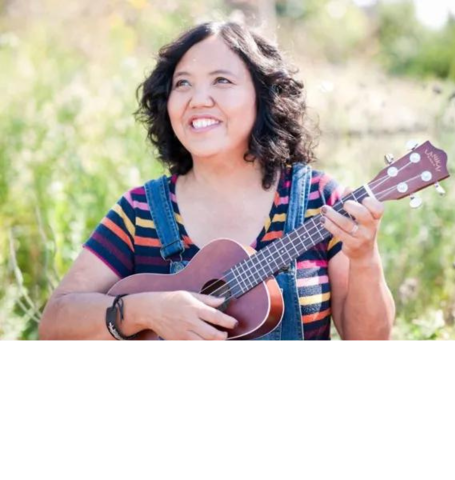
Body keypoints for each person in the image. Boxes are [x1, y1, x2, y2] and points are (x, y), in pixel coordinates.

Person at [39, 21, 395, 341]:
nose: (198, 99)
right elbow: (55, 325)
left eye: (222, 80)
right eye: (183, 84)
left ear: (264, 97)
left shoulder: (321, 200)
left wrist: (364, 259)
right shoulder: (140, 211)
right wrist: (143, 311)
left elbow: (368, 343)